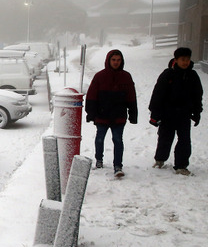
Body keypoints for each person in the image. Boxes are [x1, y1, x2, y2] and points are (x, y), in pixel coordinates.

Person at [148, 47, 203, 176]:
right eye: (182, 59)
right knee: (165, 138)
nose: (185, 62)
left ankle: (181, 165)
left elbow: (197, 96)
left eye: (187, 60)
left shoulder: (193, 76)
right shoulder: (168, 74)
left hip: (184, 114)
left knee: (184, 140)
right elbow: (157, 94)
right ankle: (160, 159)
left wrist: (197, 112)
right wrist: (155, 114)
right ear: (176, 60)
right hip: (167, 114)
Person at [85, 49, 138, 177]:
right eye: (113, 60)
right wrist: (91, 113)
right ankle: (99, 159)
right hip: (102, 115)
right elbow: (91, 95)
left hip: (119, 115)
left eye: (118, 60)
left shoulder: (126, 76)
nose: (116, 62)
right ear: (108, 60)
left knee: (118, 140)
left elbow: (131, 97)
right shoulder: (100, 76)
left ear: (122, 61)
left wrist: (133, 114)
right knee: (99, 139)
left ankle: (118, 165)